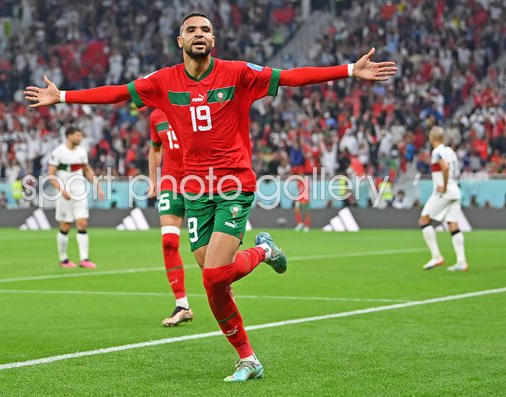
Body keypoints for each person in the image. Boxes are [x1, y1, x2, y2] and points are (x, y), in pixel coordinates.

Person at [25, 12, 396, 381]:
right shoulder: (163, 81)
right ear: (180, 41)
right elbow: (120, 93)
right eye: (191, 30)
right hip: (194, 190)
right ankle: (251, 344)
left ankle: (255, 308)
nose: (199, 34)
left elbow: (291, 77)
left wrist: (348, 70)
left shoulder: (237, 73)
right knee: (212, 276)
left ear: (213, 41)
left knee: (214, 276)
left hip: (234, 183)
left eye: (205, 29)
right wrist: (62, 97)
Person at [147, 108, 193, 327]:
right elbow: (155, 148)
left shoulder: (193, 103)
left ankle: (224, 286)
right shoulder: (156, 116)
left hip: (200, 181)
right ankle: (182, 305)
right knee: (169, 242)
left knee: (207, 251)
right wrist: (153, 178)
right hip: (171, 182)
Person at [48, 127, 104, 269]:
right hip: (64, 193)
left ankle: (84, 259)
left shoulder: (82, 152)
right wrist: (61, 190)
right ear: (69, 136)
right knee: (65, 225)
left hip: (79, 191)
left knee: (82, 223)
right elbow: (51, 175)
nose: (80, 138)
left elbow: (87, 170)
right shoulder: (58, 152)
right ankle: (63, 259)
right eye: (77, 135)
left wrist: (98, 186)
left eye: (81, 135)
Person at [419, 126, 469, 271]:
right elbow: (453, 168)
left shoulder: (437, 151)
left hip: (445, 190)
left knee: (424, 220)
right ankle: (461, 261)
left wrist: (444, 186)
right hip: (455, 190)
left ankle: (436, 256)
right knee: (452, 224)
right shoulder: (450, 151)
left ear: (431, 138)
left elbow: (445, 167)